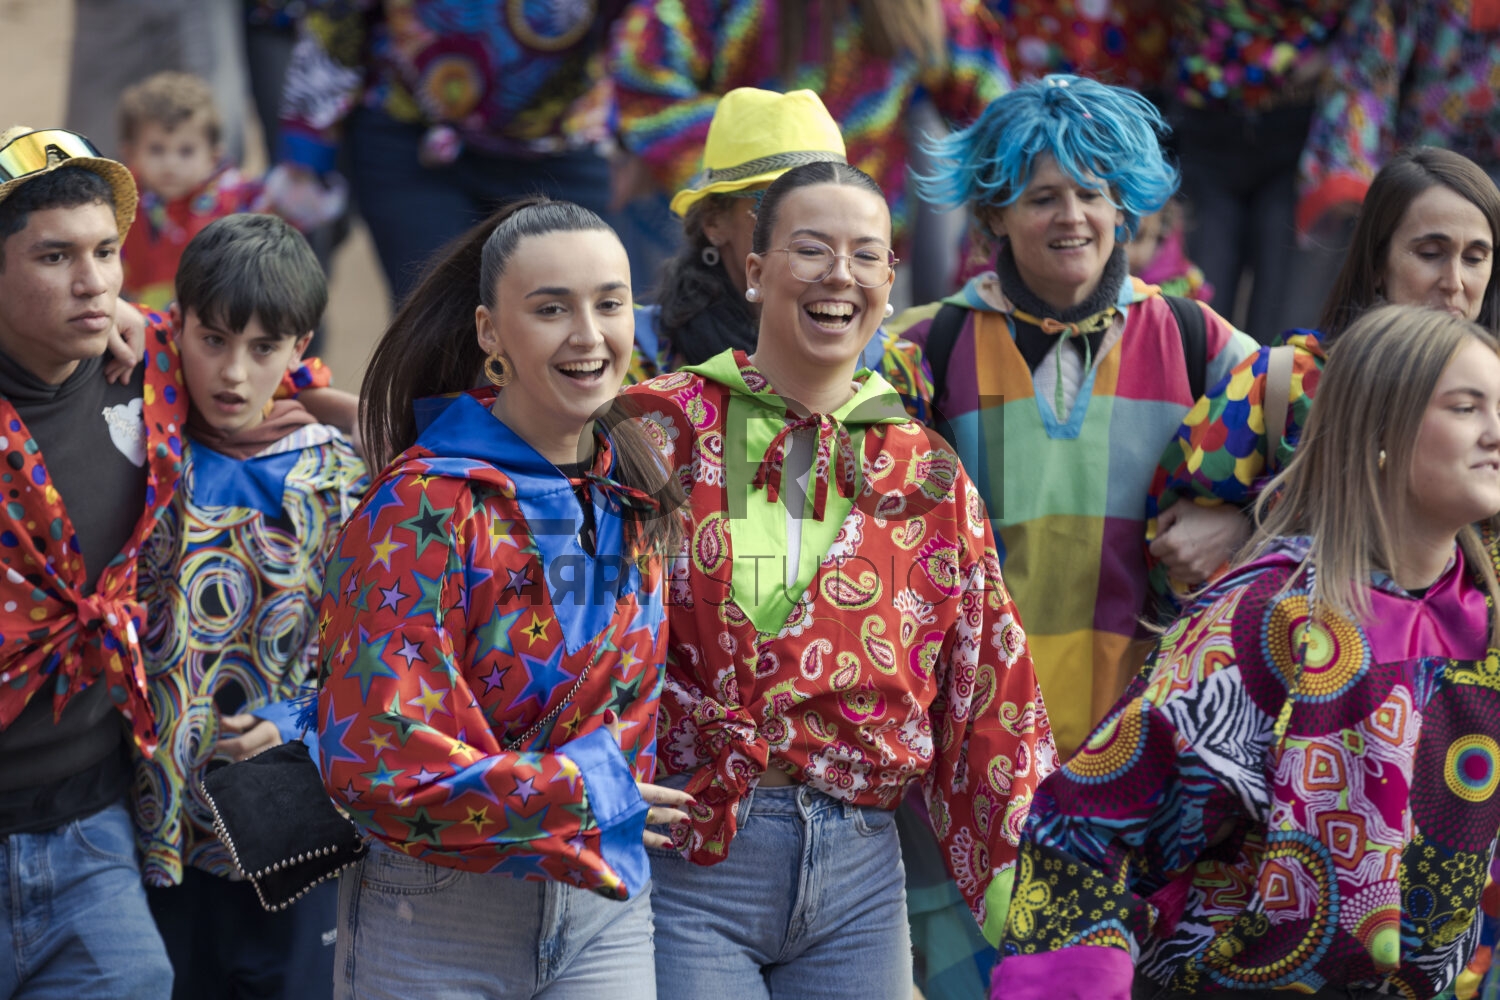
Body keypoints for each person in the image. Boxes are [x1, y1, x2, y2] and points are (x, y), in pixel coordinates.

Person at [620, 160, 1054, 997]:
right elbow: (580, 634)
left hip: (859, 875)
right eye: (813, 249)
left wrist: (1042, 916)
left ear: (891, 282)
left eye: (866, 255)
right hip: (692, 854)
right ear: (755, 270)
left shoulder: (927, 472)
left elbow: (991, 689)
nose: (840, 276)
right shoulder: (658, 429)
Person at [995, 303, 1500, 999]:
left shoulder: (1487, 613)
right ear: (1382, 429)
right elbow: (1086, 830)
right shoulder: (1268, 620)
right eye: (1467, 408)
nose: (1496, 432)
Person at [318, 197, 690, 998]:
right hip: (438, 913)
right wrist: (580, 791)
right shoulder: (421, 505)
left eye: (610, 305)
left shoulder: (637, 489)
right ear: (490, 331)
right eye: (551, 309)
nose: (588, 335)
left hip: (605, 906)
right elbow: (378, 755)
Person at [895, 74, 1257, 757]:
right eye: (1043, 198)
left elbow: (1322, 461)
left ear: (1122, 208)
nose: (1072, 216)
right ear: (994, 214)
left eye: (1091, 194)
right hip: (978, 752)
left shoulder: (1197, 340)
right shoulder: (923, 348)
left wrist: (1243, 522)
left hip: (1148, 742)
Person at [133, 213, 366, 1000]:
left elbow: (371, 657)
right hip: (156, 813)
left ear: (300, 348)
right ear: (176, 328)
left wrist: (296, 723)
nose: (233, 372)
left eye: (264, 348)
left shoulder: (341, 478)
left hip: (287, 803)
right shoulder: (144, 451)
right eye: (213, 340)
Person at [1149, 146, 1500, 611]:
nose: (1454, 281)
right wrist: (1244, 535)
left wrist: (1250, 529)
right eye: (1430, 253)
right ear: (1377, 263)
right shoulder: (1285, 384)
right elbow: (1170, 551)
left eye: (1475, 258)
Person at [0, 123, 180, 1000]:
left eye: (106, 251)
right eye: (55, 257)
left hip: (90, 828)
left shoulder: (159, 379)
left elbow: (274, 371)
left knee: (138, 980)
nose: (95, 283)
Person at [277, 2, 627, 304]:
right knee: (436, 331)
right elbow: (336, 19)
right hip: (411, 144)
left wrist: (645, 145)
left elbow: (643, 22)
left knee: (570, 322)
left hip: (564, 148)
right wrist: (305, 152)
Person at [631, 86, 933, 422]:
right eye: (771, 203)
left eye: (828, 204)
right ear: (714, 221)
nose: (839, 273)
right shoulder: (638, 356)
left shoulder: (896, 370)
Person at [609, 0, 1011, 253]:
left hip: (858, 249)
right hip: (731, 241)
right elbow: (644, 82)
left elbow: (998, 116)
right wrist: (752, 175)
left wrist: (991, 244)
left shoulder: (932, 10)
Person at [118, 72, 269, 310]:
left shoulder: (237, 196)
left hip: (215, 314)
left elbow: (282, 211)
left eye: (186, 151)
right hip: (142, 315)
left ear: (213, 156)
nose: (170, 164)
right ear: (131, 153)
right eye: (156, 149)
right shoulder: (117, 197)